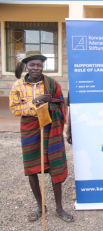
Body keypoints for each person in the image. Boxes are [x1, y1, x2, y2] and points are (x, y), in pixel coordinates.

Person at [9, 50, 73, 222]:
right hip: (30, 129)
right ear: (26, 66)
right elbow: (14, 108)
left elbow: (60, 101)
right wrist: (35, 102)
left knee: (54, 167)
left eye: (39, 65)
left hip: (50, 129)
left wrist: (50, 102)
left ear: (42, 66)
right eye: (32, 65)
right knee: (32, 169)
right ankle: (40, 207)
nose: (36, 68)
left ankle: (59, 208)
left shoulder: (51, 83)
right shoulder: (18, 86)